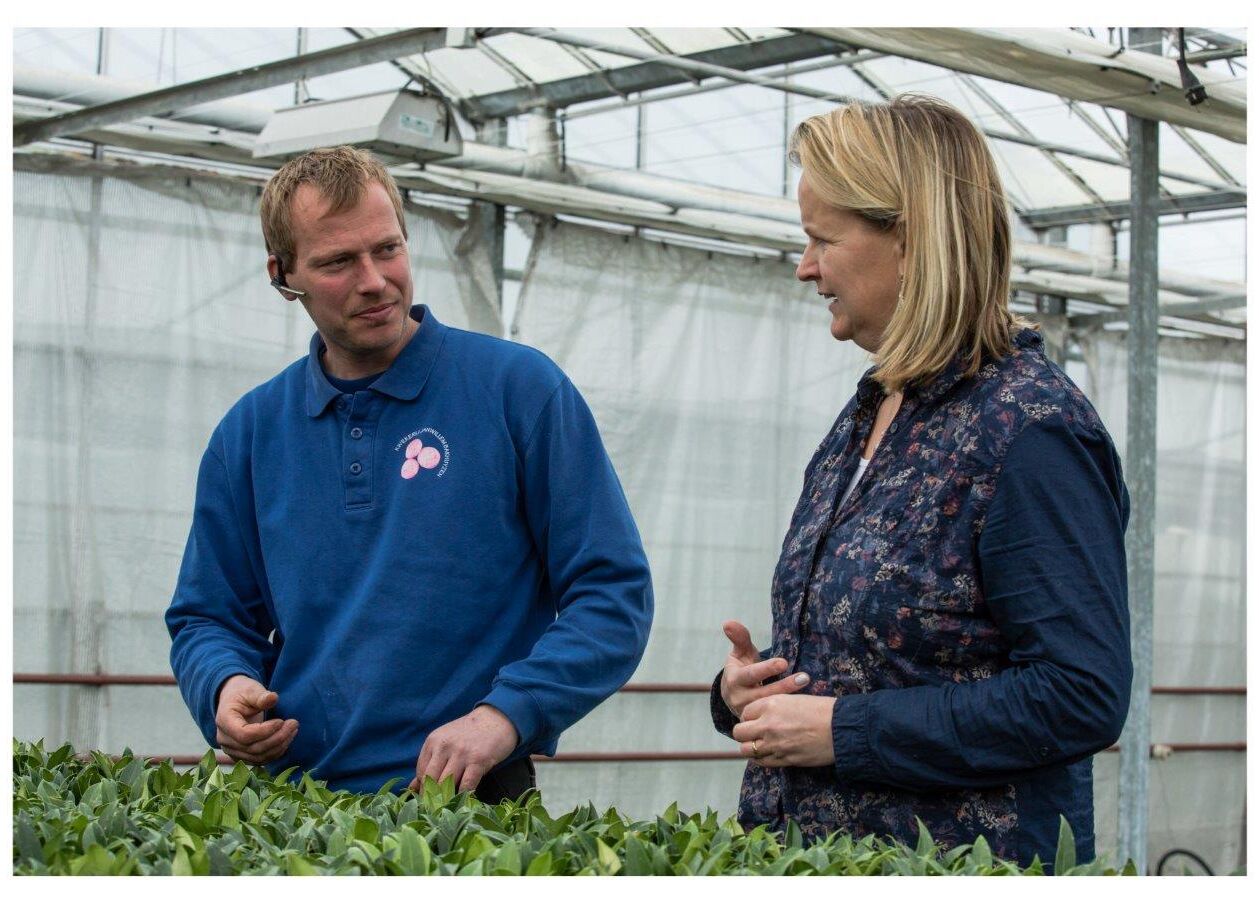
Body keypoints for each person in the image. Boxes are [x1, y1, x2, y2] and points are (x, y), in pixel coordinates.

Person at [711, 94, 1131, 869]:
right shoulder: (874, 408)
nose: (805, 268)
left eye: (820, 240)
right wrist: (751, 688)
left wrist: (844, 732)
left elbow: (1080, 694)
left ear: (908, 239)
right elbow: (897, 645)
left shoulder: (1028, 429)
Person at [166, 146, 652, 801]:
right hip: (296, 804)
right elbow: (207, 616)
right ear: (284, 275)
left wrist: (503, 717)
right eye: (338, 261)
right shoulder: (249, 434)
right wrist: (223, 686)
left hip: (473, 796)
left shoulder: (518, 390)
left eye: (387, 248)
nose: (373, 280)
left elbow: (611, 596)